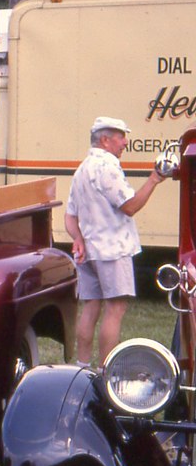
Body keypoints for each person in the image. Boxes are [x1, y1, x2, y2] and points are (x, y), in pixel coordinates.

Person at [65, 116, 166, 367]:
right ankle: (105, 371)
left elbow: (69, 215)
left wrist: (77, 237)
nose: (125, 142)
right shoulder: (107, 167)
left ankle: (82, 366)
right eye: (121, 137)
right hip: (112, 249)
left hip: (88, 251)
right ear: (105, 140)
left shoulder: (82, 169)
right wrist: (154, 179)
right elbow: (130, 206)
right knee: (115, 309)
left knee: (91, 307)